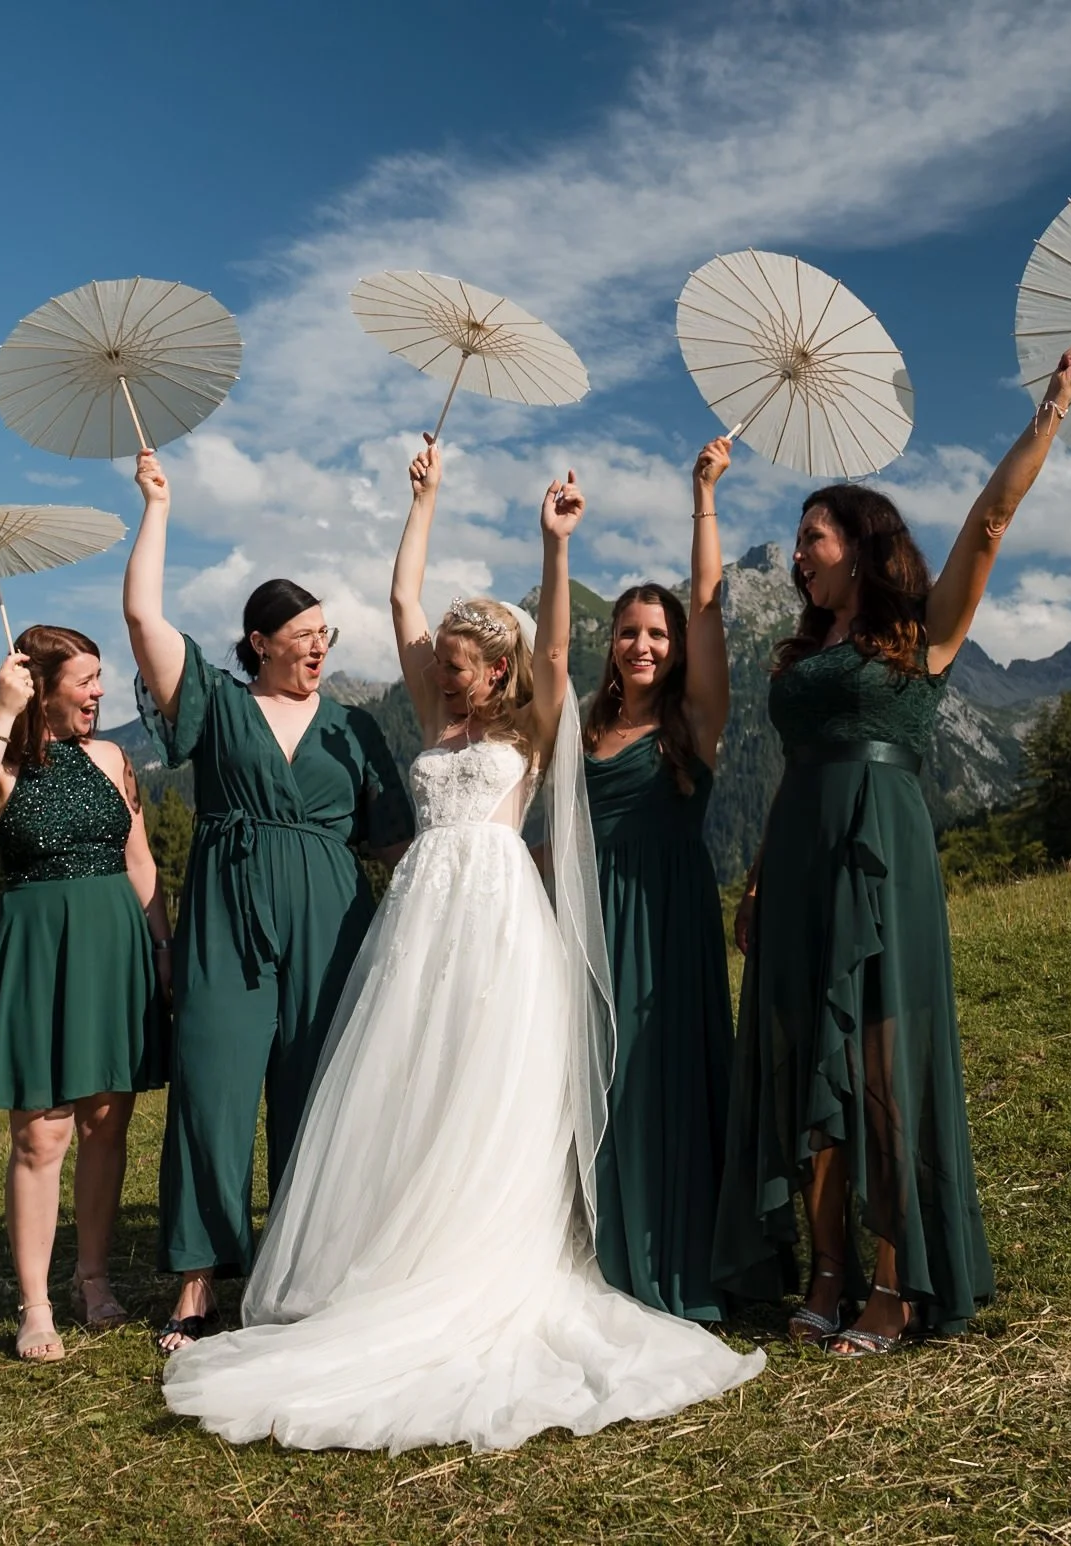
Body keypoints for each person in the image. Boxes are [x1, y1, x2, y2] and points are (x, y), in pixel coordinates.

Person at [160, 440, 763, 1453]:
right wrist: (423, 501)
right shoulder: (435, 719)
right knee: (408, 1084)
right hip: (416, 926)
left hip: (495, 924)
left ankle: (479, 1252)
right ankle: (390, 1254)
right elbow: (403, 600)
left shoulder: (533, 728)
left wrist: (553, 544)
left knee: (490, 1091)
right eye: (439, 660)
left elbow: (563, 644)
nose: (441, 667)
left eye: (458, 658)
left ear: (496, 666)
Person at [714, 343, 1071, 1356]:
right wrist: (755, 878)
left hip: (880, 850)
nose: (800, 554)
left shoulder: (922, 637)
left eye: (814, 537)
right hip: (798, 857)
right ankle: (828, 1265)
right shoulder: (799, 653)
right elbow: (796, 767)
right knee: (808, 1061)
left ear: (862, 544)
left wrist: (1053, 407)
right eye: (797, 541)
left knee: (881, 1059)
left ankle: (896, 1276)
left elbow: (992, 521)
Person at [121, 448, 414, 1354]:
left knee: (316, 1089)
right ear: (260, 641)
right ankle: (200, 1277)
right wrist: (157, 505)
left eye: (328, 633)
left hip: (332, 914)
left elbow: (395, 838)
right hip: (228, 911)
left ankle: (302, 1264)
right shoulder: (213, 701)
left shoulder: (352, 725)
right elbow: (141, 615)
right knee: (211, 1084)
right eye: (306, 633)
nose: (321, 645)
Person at [0, 624, 169, 1362]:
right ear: (42, 688)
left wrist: (162, 951)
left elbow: (140, 861)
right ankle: (35, 1303)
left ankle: (93, 1278)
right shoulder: (2, 765)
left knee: (108, 1119)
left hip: (115, 947)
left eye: (99, 679)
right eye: (84, 681)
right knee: (41, 1133)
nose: (99, 693)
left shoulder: (110, 758)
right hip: (41, 953)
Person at [578, 435, 735, 1323]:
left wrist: (701, 497)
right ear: (611, 645)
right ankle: (594, 1247)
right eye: (629, 633)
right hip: (586, 919)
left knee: (658, 1080)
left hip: (668, 919)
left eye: (657, 634)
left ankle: (673, 1253)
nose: (643, 645)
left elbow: (709, 608)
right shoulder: (585, 730)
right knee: (589, 1079)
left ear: (675, 649)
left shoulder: (695, 722)